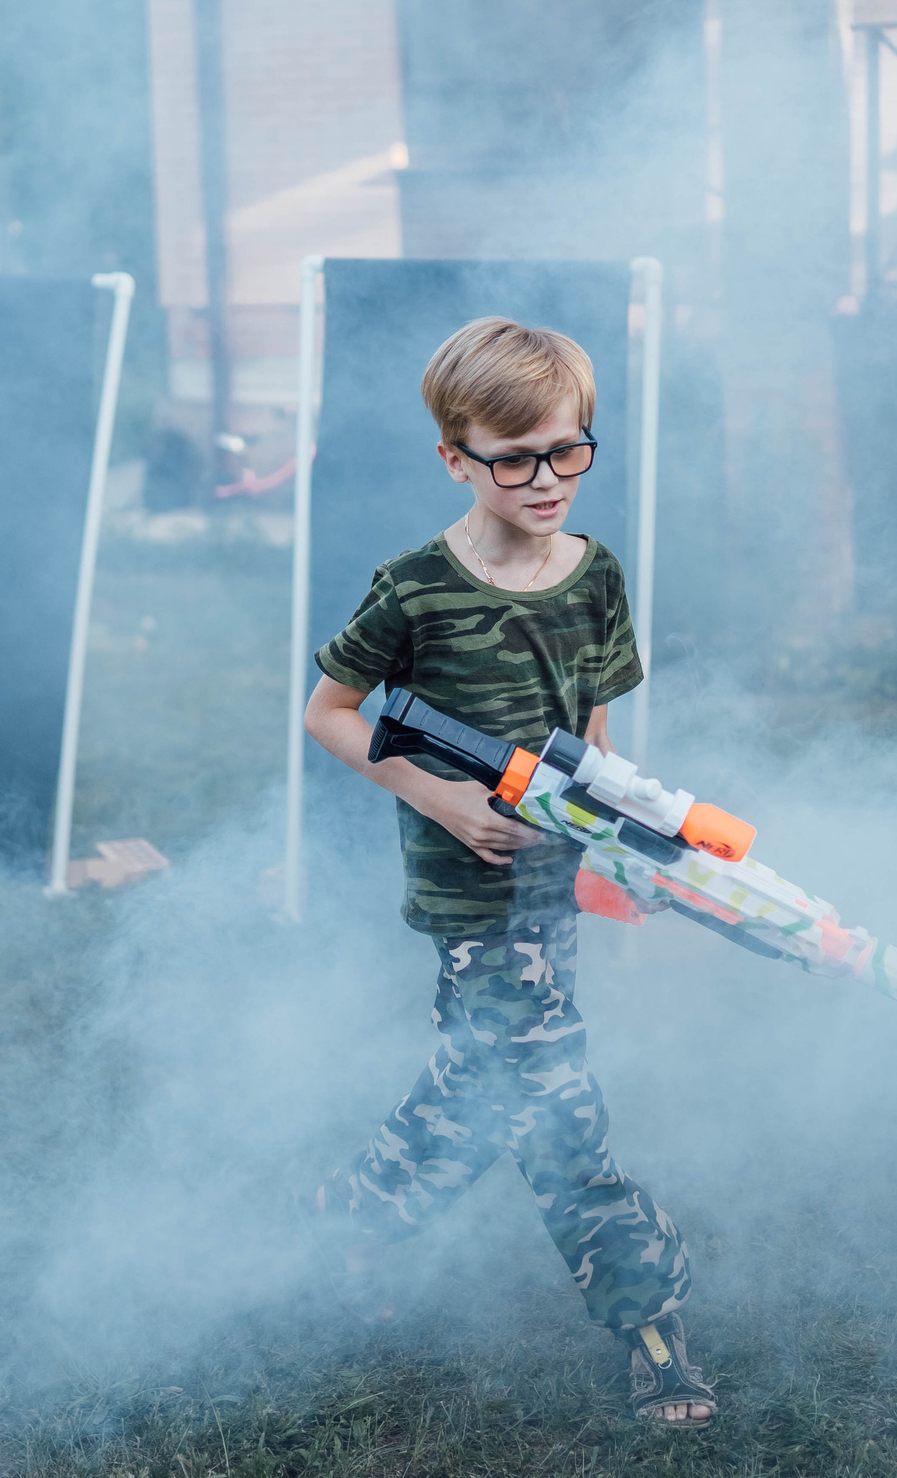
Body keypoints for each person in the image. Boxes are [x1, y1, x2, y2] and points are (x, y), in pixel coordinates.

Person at [299, 318, 712, 1428]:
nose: (545, 480)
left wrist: (632, 851)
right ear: (454, 456)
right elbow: (329, 713)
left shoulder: (594, 577)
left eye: (567, 451)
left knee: (482, 1091)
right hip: (467, 895)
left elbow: (593, 738)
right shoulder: (415, 590)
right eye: (513, 457)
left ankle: (348, 1220)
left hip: (556, 887)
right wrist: (442, 798)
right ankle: (650, 1320)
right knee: (553, 1103)